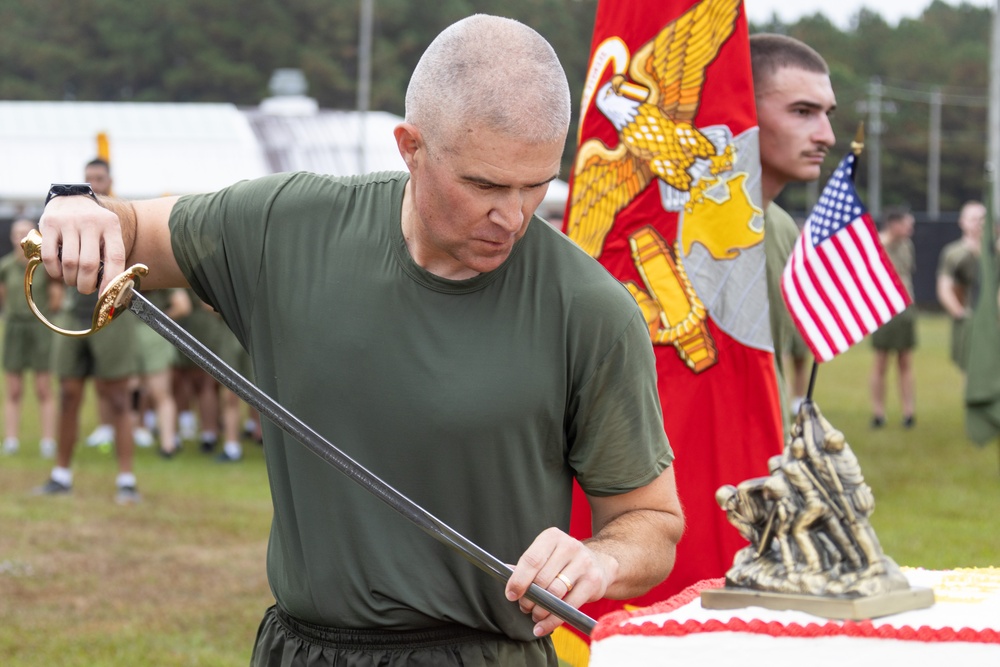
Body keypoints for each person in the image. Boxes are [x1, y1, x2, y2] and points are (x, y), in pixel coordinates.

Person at [36, 15, 684, 666]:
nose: (512, 216)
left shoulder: (591, 309)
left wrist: (599, 559)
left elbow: (652, 523)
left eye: (535, 184)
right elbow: (128, 225)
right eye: (485, 184)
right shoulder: (285, 229)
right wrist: (78, 208)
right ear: (411, 147)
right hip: (301, 650)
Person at [34, 159, 141, 504]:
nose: (93, 183)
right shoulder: (72, 217)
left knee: (119, 398)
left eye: (98, 178)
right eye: (88, 179)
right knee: (68, 395)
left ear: (110, 180)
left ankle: (126, 480)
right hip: (73, 313)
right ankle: (60, 475)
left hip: (112, 314)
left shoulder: (124, 218)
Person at [752, 33, 837, 428]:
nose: (827, 136)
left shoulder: (783, 228)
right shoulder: (683, 226)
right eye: (803, 112)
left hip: (762, 453)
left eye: (827, 114)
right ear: (744, 109)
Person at [0, 218, 58, 458]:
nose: (21, 237)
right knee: (13, 388)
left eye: (25, 233)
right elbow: (3, 296)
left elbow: (56, 299)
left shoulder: (44, 266)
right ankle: (11, 439)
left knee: (43, 387)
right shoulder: (5, 266)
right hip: (15, 328)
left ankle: (47, 440)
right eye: (17, 233)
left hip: (39, 329)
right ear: (12, 237)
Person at [869, 208, 917, 428]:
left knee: (905, 361)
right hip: (884, 308)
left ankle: (908, 412)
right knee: (881, 362)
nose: (910, 229)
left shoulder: (907, 246)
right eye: (906, 224)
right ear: (894, 224)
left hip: (905, 308)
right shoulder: (878, 245)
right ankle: (878, 413)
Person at [936, 200, 987, 372]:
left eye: (982, 219)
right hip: (969, 317)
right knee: (970, 368)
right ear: (962, 221)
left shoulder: (994, 251)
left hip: (992, 318)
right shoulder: (954, 253)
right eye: (973, 219)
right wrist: (959, 312)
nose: (978, 224)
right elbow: (945, 286)